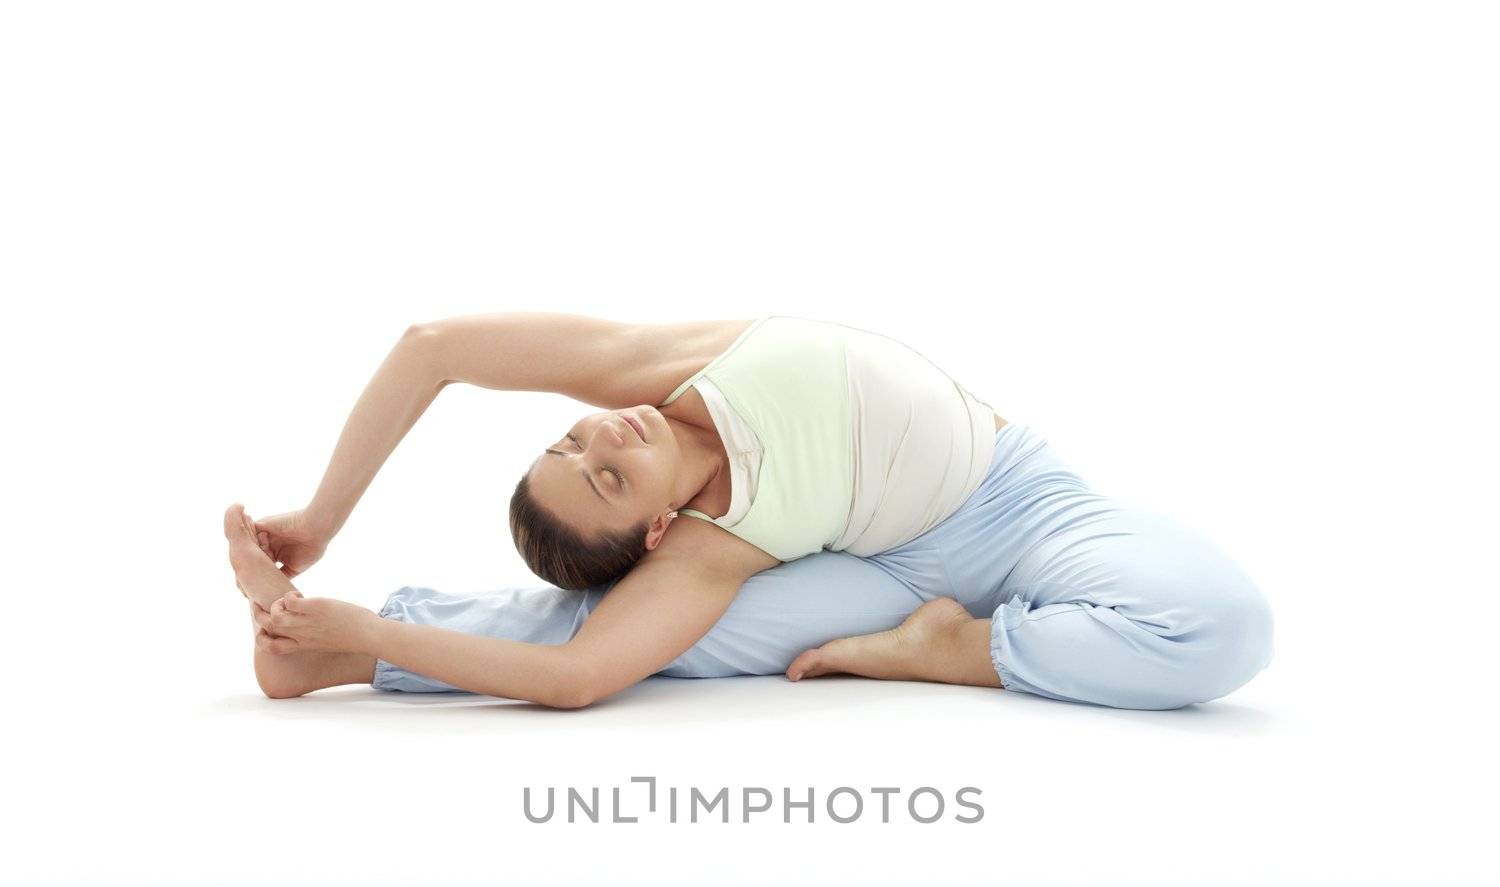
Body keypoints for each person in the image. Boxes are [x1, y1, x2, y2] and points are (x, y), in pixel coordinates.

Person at [226, 312, 1274, 711]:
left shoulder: (660, 370)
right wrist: (363, 629)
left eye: (569, 442)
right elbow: (579, 675)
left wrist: (321, 516)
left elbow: (432, 349)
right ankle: (331, 657)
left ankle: (951, 653)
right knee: (638, 646)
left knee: (1222, 627)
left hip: (1016, 501)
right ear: (652, 536)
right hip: (882, 574)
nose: (604, 439)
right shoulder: (706, 556)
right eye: (603, 479)